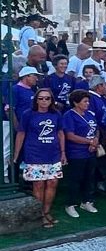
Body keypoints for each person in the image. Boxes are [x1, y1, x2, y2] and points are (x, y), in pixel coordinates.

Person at [13, 89, 65, 228]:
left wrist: (63, 152)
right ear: (36, 100)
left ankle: (46, 211)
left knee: (53, 182)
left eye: (47, 98)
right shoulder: (28, 114)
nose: (44, 101)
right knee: (39, 184)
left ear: (51, 100)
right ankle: (39, 214)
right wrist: (16, 155)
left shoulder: (56, 114)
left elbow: (60, 133)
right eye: (41, 98)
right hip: (34, 154)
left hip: (53, 154)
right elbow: (21, 134)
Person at [60, 90, 100, 219]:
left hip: (90, 152)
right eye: (85, 101)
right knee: (75, 179)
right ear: (76, 102)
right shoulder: (69, 115)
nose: (87, 104)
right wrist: (89, 142)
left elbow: (96, 129)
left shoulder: (90, 114)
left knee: (90, 177)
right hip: (77, 152)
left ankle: (87, 201)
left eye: (88, 101)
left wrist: (95, 141)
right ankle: (70, 204)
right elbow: (70, 135)